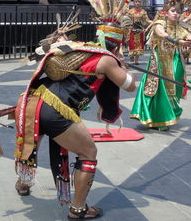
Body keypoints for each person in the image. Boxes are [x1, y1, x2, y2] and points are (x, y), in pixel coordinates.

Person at [14, 20, 136, 220]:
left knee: (31, 144)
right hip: (54, 110)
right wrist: (123, 67)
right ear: (118, 45)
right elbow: (129, 85)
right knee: (88, 152)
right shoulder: (107, 60)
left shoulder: (82, 47)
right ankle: (78, 209)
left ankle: (23, 183)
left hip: (32, 100)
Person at [130, 0, 191, 131]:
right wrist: (175, 40)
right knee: (159, 88)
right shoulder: (160, 22)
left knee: (175, 88)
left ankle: (168, 115)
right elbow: (160, 32)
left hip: (175, 60)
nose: (176, 14)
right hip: (159, 61)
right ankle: (158, 118)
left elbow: (188, 37)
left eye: (178, 12)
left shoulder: (182, 27)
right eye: (173, 11)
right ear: (167, 12)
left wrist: (187, 43)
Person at [127, 0, 152, 65]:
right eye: (136, 2)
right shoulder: (130, 11)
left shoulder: (143, 12)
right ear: (134, 3)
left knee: (138, 45)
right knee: (132, 44)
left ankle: (136, 60)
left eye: (139, 2)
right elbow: (126, 20)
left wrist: (153, 22)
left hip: (140, 30)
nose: (137, 3)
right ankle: (132, 55)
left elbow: (146, 20)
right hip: (131, 30)